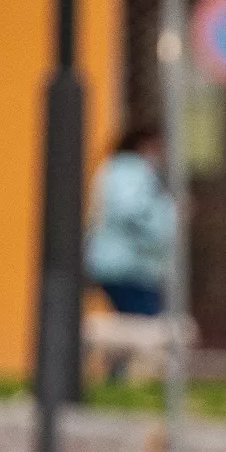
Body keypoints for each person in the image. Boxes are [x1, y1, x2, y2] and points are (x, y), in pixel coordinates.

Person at [86, 123, 174, 319]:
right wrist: (160, 223)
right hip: (128, 265)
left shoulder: (118, 168)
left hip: (122, 263)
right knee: (145, 325)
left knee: (132, 324)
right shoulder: (130, 170)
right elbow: (131, 211)